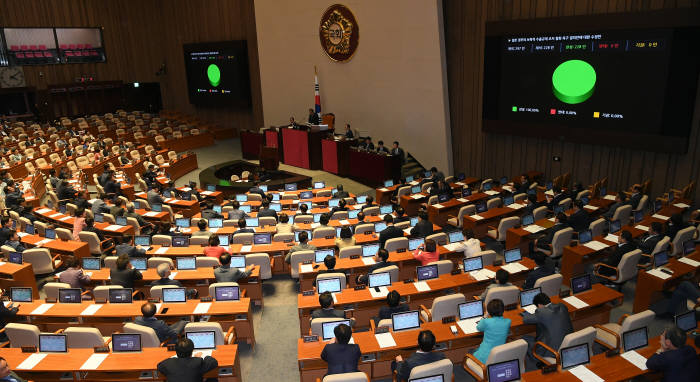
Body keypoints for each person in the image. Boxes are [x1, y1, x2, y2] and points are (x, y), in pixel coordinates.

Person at [521, 293, 573, 368]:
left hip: (552, 351)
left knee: (525, 339)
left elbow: (526, 319)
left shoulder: (541, 312)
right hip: (568, 345)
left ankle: (539, 359)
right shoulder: (562, 306)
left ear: (539, 305)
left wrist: (526, 313)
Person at [473, 299, 511, 363]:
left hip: (484, 357)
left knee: (471, 352)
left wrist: (485, 316)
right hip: (500, 354)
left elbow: (478, 328)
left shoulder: (486, 321)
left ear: (489, 311)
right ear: (503, 310)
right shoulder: (508, 321)